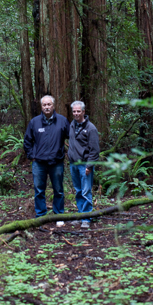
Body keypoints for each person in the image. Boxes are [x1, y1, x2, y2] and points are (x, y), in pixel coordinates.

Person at [24, 95, 70, 226]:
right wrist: (32, 155)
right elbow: (27, 141)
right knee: (39, 190)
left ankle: (59, 215)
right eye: (44, 105)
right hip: (39, 163)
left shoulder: (62, 121)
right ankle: (41, 215)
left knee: (59, 190)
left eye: (49, 104)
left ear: (53, 105)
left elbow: (71, 137)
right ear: (41, 106)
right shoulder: (34, 122)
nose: (47, 107)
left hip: (56, 162)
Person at [68, 100, 100, 228]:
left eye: (78, 111)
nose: (76, 114)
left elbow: (95, 150)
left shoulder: (90, 128)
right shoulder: (72, 125)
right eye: (74, 111)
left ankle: (86, 218)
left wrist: (89, 166)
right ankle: (80, 215)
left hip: (84, 165)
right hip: (73, 164)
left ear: (83, 111)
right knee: (78, 190)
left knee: (86, 191)